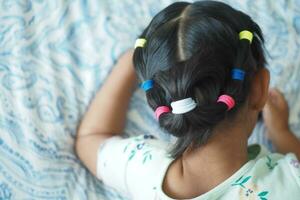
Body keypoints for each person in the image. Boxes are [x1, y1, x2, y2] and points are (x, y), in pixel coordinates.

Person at [75, 1, 300, 199]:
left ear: (160, 95)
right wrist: (282, 133)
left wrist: (132, 60)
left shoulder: (143, 170)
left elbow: (90, 138)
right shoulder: (291, 183)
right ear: (261, 88)